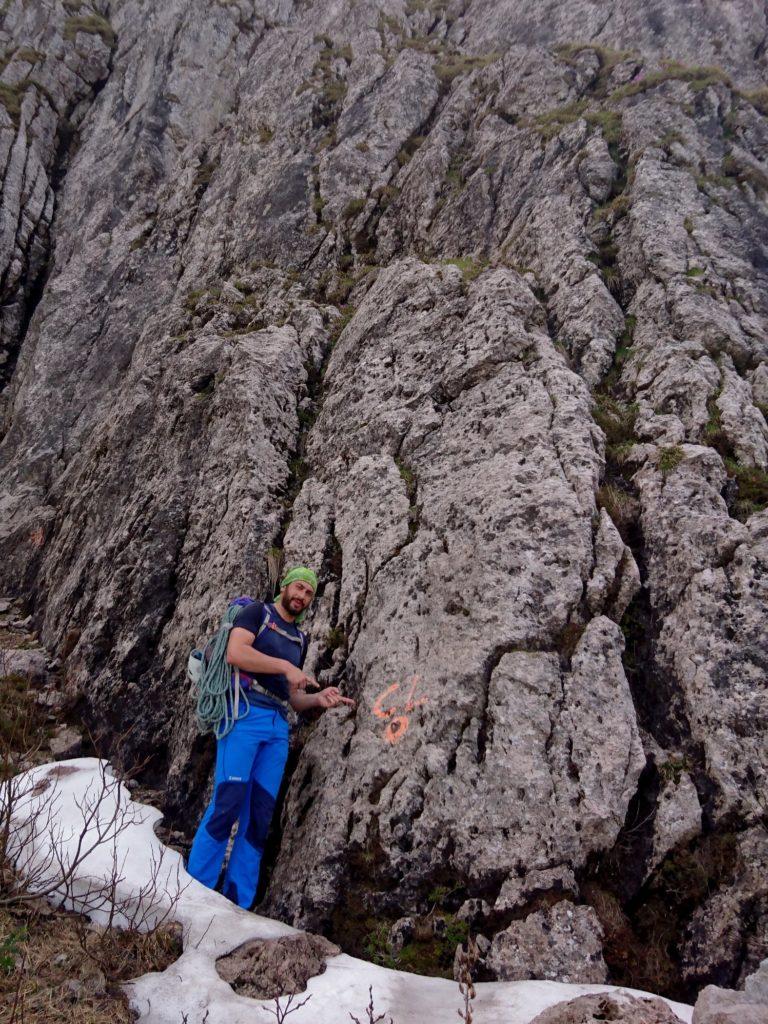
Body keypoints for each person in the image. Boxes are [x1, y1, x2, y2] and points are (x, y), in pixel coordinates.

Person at [187, 566, 354, 909]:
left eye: (308, 593)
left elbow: (291, 696)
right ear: (285, 587)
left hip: (278, 725)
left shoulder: (299, 639)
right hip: (244, 715)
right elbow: (236, 653)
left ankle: (238, 902)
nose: (302, 596)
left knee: (260, 815)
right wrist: (285, 667)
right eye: (298, 588)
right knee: (227, 802)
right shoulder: (257, 613)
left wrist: (318, 701)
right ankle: (193, 892)